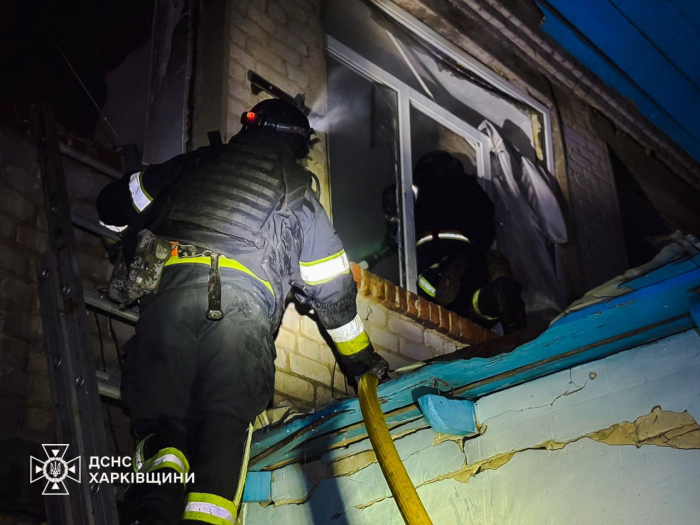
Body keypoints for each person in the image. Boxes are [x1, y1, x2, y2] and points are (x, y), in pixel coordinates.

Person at [97, 98, 389, 525]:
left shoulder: (197, 162)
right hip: (242, 316)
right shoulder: (299, 191)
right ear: (297, 144)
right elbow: (333, 294)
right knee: (223, 427)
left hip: (170, 300)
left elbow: (112, 208)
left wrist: (129, 234)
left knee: (163, 427)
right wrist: (363, 363)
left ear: (251, 126)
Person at [394, 151, 526, 334]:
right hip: (467, 256)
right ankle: (500, 304)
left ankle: (464, 292)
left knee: (433, 291)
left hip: (435, 254)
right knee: (475, 299)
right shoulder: (470, 188)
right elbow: (488, 224)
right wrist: (475, 250)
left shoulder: (422, 193)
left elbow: (407, 222)